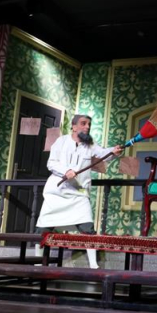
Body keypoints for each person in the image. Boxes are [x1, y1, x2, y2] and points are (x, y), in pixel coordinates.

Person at [36, 114, 123, 269]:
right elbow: (51, 163)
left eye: (89, 124)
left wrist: (114, 151)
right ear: (74, 126)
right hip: (57, 193)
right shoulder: (61, 142)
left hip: (79, 193)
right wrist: (66, 171)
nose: (87, 127)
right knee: (43, 229)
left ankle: (94, 266)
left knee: (88, 229)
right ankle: (37, 264)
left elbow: (104, 154)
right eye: (83, 123)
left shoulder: (90, 145)